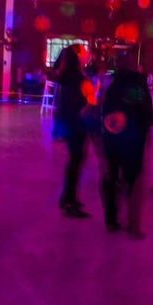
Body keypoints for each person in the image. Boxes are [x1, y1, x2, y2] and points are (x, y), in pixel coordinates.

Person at [101, 54, 153, 238]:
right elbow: (146, 111)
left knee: (112, 177)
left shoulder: (111, 84)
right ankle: (133, 225)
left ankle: (111, 220)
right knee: (133, 180)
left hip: (112, 136)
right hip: (133, 137)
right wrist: (147, 131)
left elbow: (104, 108)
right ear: (133, 66)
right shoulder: (138, 84)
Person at [54, 45, 91, 218]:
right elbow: (83, 103)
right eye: (83, 53)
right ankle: (69, 201)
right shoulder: (77, 78)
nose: (86, 56)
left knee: (74, 161)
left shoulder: (66, 76)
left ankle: (67, 198)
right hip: (77, 124)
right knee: (76, 162)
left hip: (69, 123)